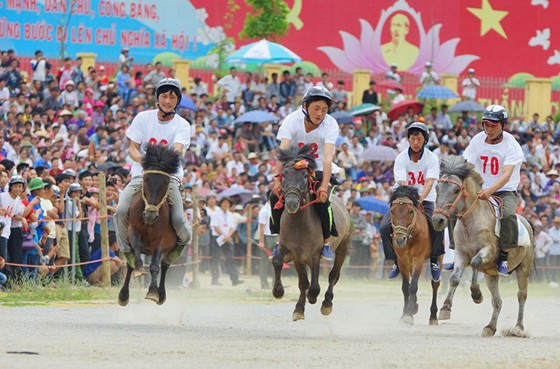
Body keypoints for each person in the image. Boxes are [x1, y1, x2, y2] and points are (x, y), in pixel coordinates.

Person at [114, 78, 192, 268]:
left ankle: (181, 244)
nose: (167, 101)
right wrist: (146, 162)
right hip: (142, 174)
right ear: (158, 98)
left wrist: (160, 165)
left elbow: (177, 149)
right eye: (164, 96)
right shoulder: (142, 118)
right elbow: (132, 148)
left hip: (168, 177)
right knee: (120, 210)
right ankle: (126, 250)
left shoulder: (183, 125)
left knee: (178, 219)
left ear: (177, 100)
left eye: (172, 97)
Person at [448, 105, 525, 276]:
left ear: (503, 125)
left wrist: (490, 191)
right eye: (486, 125)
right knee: (453, 208)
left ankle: (504, 256)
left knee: (508, 214)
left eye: (493, 125)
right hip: (479, 190)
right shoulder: (477, 140)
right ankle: (455, 252)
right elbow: (466, 164)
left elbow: (506, 175)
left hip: (504, 190)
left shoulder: (511, 145)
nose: (488, 129)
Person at [269, 86, 340, 261]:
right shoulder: (291, 120)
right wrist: (277, 182)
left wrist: (324, 186)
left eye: (324, 110)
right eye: (316, 108)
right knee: (273, 198)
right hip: (294, 170)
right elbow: (282, 153)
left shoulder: (331, 124)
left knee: (324, 202)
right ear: (305, 106)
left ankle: (326, 242)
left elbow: (327, 158)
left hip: (319, 171)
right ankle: (280, 240)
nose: (320, 113)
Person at [380, 122, 444, 281]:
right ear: (408, 139)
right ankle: (395, 260)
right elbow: (402, 182)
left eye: (419, 139)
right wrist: (410, 201)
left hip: (426, 198)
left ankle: (435, 259)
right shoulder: (401, 158)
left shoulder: (432, 158)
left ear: (425, 140)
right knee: (384, 227)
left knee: (436, 224)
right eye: (413, 139)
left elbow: (429, 182)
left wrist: (419, 200)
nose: (416, 142)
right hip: (403, 198)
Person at [209, 197, 243, 286]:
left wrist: (228, 236)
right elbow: (215, 227)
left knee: (230, 258)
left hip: (227, 239)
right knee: (216, 259)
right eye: (224, 203)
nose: (226, 204)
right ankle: (215, 279)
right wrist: (223, 236)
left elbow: (232, 227)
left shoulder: (230, 214)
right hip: (217, 238)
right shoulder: (215, 213)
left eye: (227, 203)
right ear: (221, 204)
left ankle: (235, 279)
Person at [257, 198, 276, 288]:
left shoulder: (276, 208)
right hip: (266, 236)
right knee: (264, 261)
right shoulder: (264, 210)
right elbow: (261, 227)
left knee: (276, 261)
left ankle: (275, 281)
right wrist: (261, 241)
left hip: (275, 236)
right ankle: (263, 282)